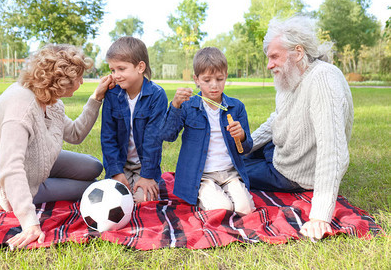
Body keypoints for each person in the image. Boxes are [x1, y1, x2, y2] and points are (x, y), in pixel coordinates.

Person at [0, 44, 114, 249]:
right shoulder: (21, 105)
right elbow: (10, 168)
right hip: (10, 184)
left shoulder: (50, 100)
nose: (82, 82)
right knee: (92, 187)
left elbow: (75, 134)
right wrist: (29, 223)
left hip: (37, 161)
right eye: (79, 77)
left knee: (94, 167)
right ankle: (38, 190)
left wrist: (97, 97)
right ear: (62, 79)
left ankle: (50, 180)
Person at [243, 16, 354, 240]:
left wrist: (320, 217)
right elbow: (276, 119)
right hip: (281, 150)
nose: (269, 64)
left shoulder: (323, 79)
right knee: (231, 156)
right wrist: (247, 146)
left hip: (294, 173)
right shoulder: (290, 77)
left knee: (231, 170)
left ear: (298, 52)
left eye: (274, 56)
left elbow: (332, 149)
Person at [160, 47, 255, 215]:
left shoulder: (236, 107)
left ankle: (222, 194)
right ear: (196, 80)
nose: (214, 85)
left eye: (219, 79)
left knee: (244, 210)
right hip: (202, 175)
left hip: (230, 173)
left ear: (226, 76)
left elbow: (247, 148)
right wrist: (175, 106)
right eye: (207, 80)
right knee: (222, 209)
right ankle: (202, 195)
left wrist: (241, 135)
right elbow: (168, 135)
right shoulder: (188, 106)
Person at [101, 36, 168, 203]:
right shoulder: (112, 95)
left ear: (140, 67)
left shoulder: (157, 95)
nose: (116, 75)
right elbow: (107, 138)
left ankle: (146, 181)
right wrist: (116, 172)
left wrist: (147, 176)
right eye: (112, 70)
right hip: (119, 164)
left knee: (142, 201)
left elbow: (154, 140)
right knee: (114, 202)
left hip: (144, 166)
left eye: (121, 69)